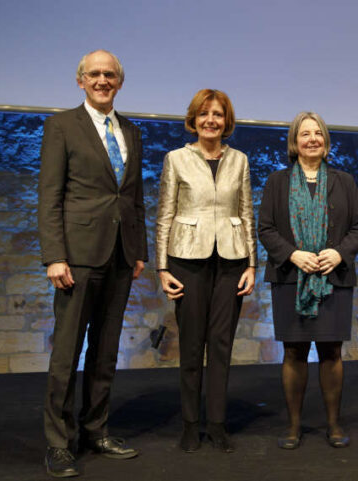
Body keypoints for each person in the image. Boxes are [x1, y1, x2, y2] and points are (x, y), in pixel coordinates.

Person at [38, 50, 147, 477]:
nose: (103, 80)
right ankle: (59, 443)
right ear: (81, 80)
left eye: (110, 75)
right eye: (95, 74)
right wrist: (54, 256)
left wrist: (138, 251)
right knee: (66, 353)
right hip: (77, 258)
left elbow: (133, 197)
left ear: (119, 82)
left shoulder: (132, 132)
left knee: (105, 351)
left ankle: (96, 431)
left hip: (120, 256)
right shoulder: (61, 126)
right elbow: (50, 196)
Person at [156, 89, 257, 454]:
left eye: (217, 114)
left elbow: (247, 214)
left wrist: (252, 264)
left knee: (221, 345)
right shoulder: (176, 159)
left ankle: (216, 424)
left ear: (226, 121)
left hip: (231, 261)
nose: (210, 120)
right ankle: (189, 424)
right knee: (191, 344)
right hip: (186, 260)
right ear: (194, 119)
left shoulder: (240, 161)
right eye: (204, 114)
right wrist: (162, 267)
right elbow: (165, 214)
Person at [258, 112, 358, 449]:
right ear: (295, 141)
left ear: (326, 141)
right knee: (294, 352)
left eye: (318, 133)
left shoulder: (343, 181)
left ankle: (333, 425)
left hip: (334, 277)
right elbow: (266, 229)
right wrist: (293, 254)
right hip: (291, 276)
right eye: (305, 134)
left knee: (332, 351)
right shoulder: (277, 182)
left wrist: (338, 253)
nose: (312, 139)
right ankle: (293, 427)